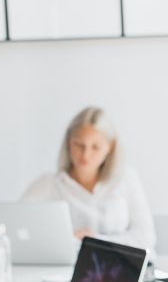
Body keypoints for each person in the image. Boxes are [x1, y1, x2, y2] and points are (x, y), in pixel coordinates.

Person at [22, 106, 156, 253]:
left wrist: (95, 241)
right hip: (67, 271)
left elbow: (146, 239)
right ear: (68, 142)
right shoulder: (49, 185)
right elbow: (20, 231)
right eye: (79, 145)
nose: (86, 155)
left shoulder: (126, 179)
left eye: (95, 147)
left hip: (121, 269)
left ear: (110, 147)